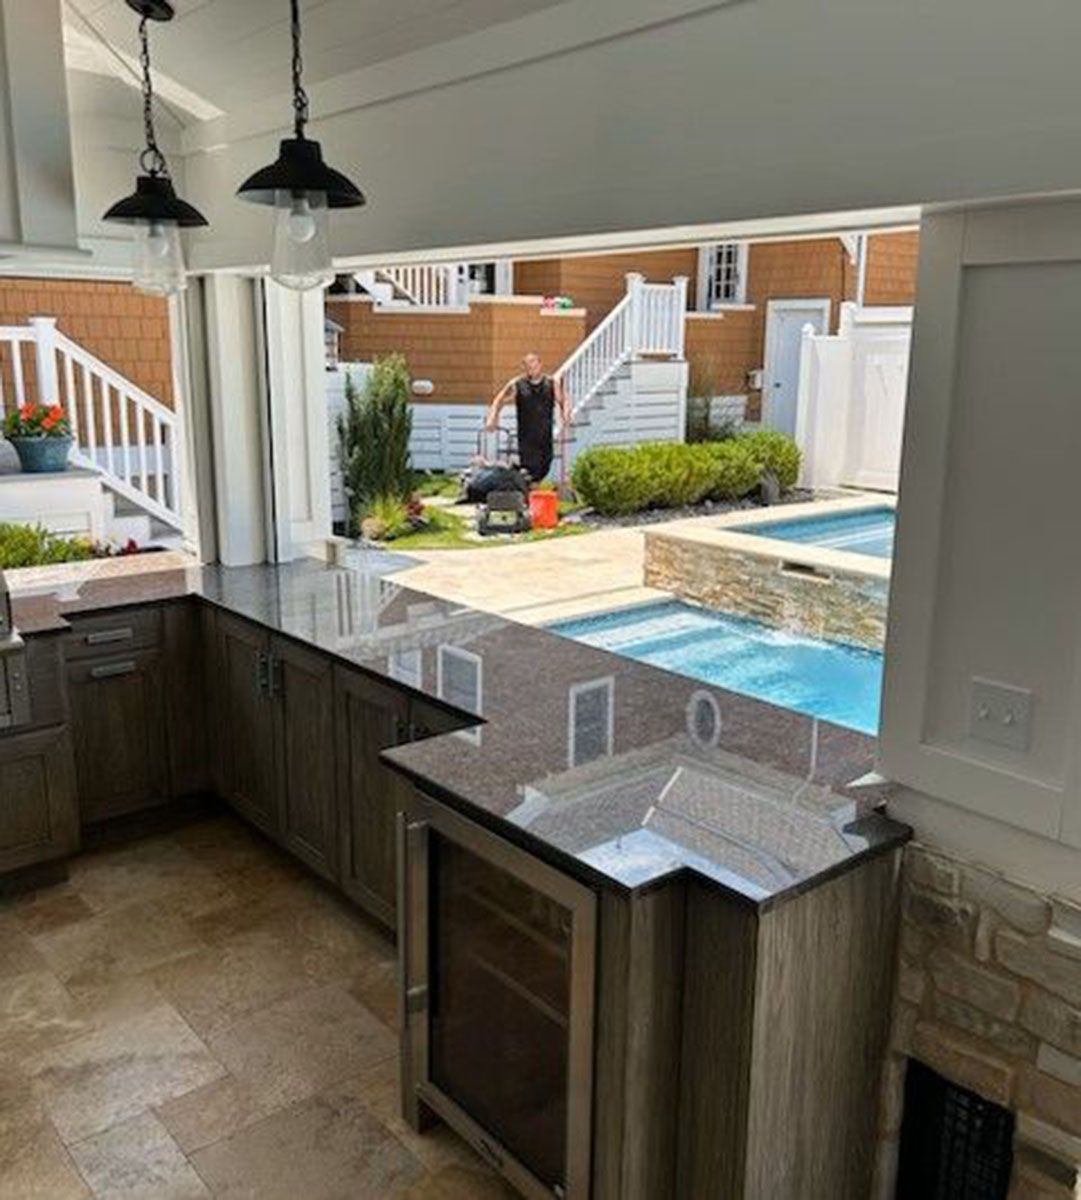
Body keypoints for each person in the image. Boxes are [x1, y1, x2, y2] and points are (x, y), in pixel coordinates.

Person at [485, 353, 569, 482]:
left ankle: (517, 476)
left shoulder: (551, 383)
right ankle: (529, 495)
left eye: (533, 366)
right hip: (526, 437)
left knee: (545, 467)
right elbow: (499, 399)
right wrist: (493, 418)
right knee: (531, 470)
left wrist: (566, 414)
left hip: (545, 436)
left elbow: (563, 400)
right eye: (528, 367)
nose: (531, 369)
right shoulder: (517, 385)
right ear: (524, 368)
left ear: (540, 365)